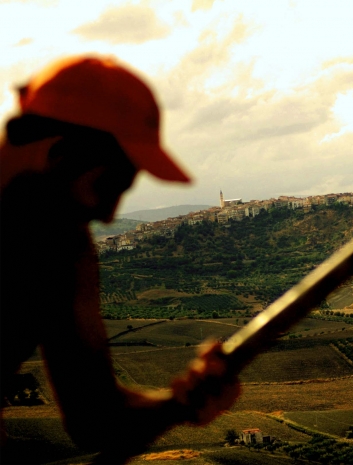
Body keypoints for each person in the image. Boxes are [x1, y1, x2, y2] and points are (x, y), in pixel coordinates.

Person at [0, 56, 240, 461]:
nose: (110, 215)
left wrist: (181, 404)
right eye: (108, 185)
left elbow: (96, 421)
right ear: (58, 154)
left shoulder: (63, 248)